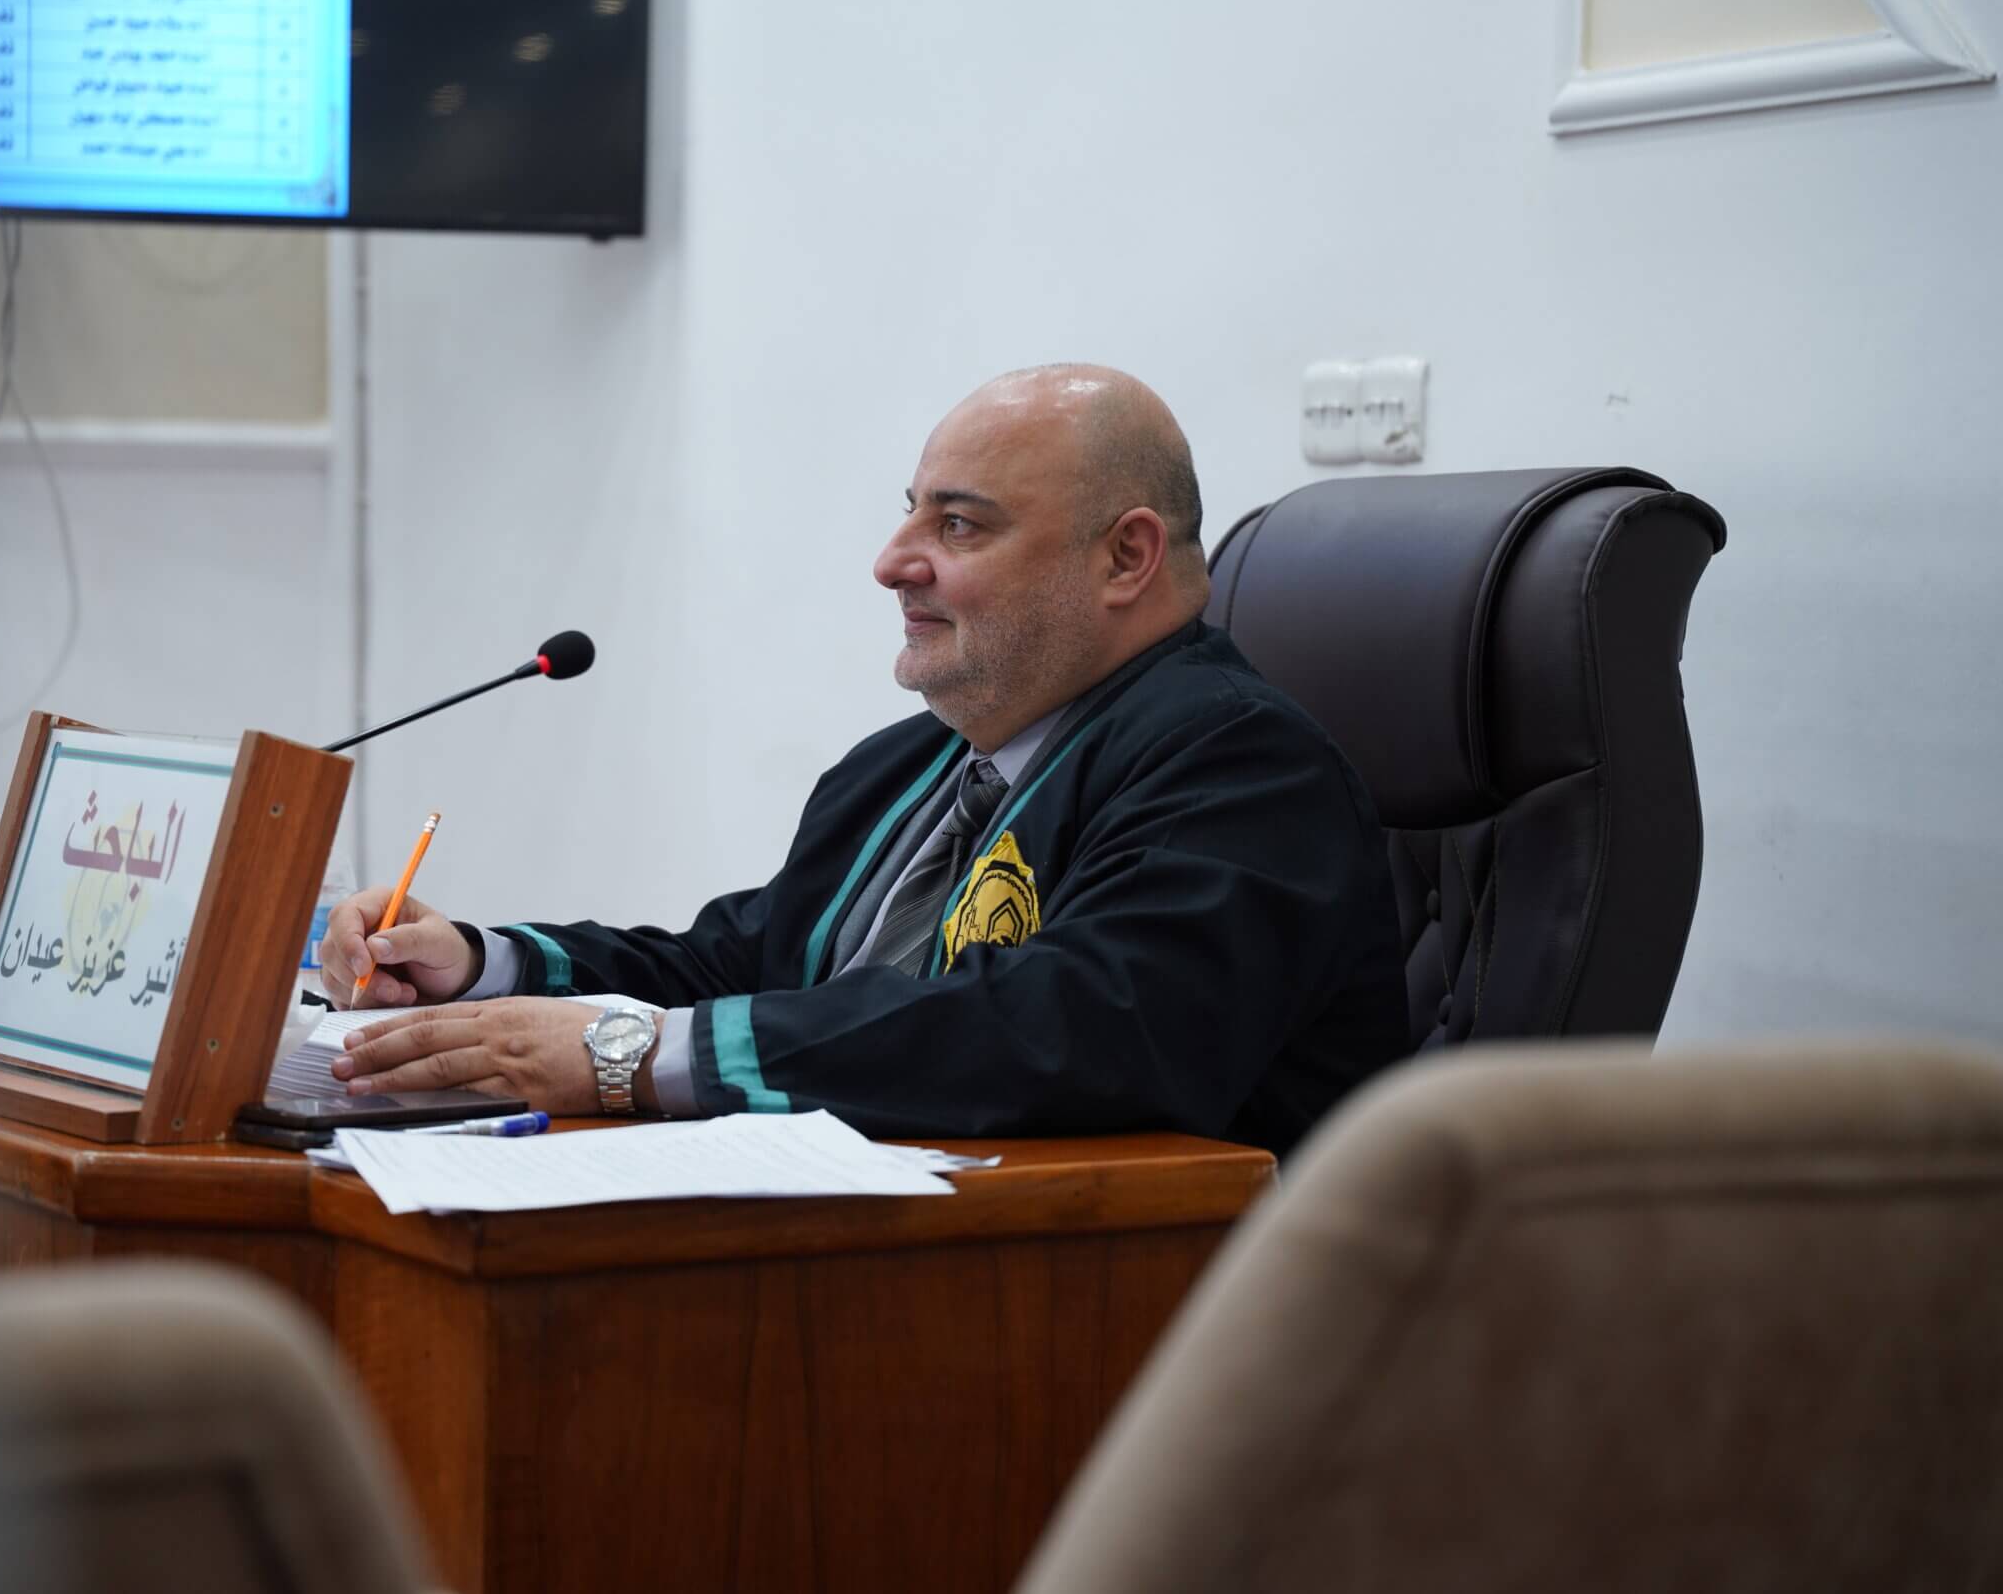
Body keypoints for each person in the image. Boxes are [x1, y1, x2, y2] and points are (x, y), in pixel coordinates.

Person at [317, 364, 1405, 1151]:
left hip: (1129, 1301)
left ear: (1126, 557)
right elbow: (739, 969)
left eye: (960, 526)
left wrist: (631, 1057)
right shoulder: (907, 767)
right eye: (910, 515)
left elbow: (1073, 1031)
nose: (892, 562)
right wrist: (481, 963)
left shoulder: (1239, 765)